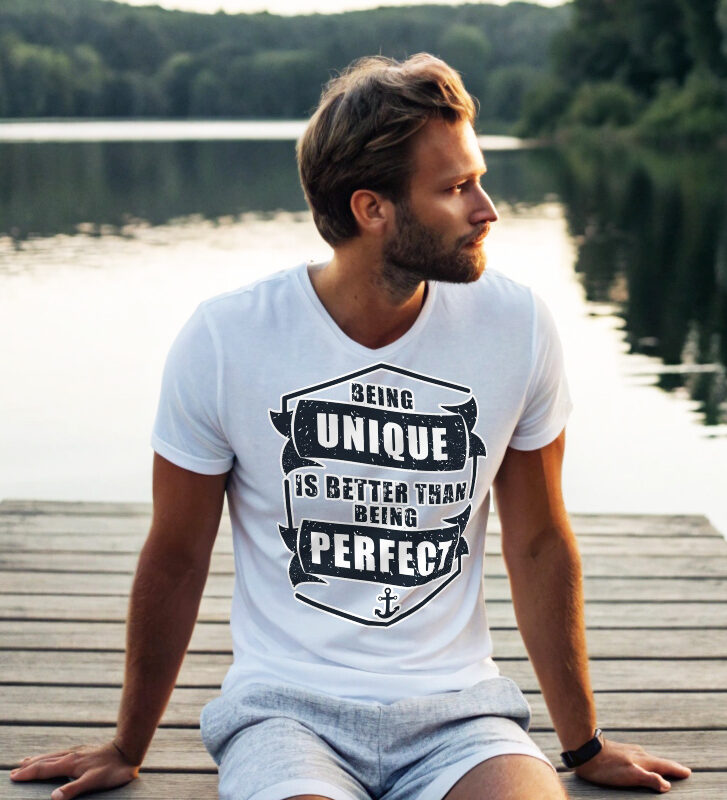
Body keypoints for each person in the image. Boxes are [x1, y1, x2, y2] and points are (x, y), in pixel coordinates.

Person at [10, 54, 691, 800]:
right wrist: (127, 745)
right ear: (372, 209)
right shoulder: (227, 339)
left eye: (479, 179)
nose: (487, 209)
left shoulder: (515, 325)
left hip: (459, 717)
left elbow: (537, 542)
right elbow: (175, 555)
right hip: (285, 715)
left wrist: (583, 744)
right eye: (457, 187)